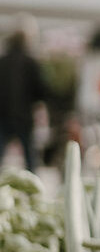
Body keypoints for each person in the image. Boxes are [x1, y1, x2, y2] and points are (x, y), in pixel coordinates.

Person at [0, 31, 50, 172]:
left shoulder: (2, 61)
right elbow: (42, 90)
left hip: (2, 115)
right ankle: (34, 189)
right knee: (30, 158)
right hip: (23, 116)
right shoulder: (31, 63)